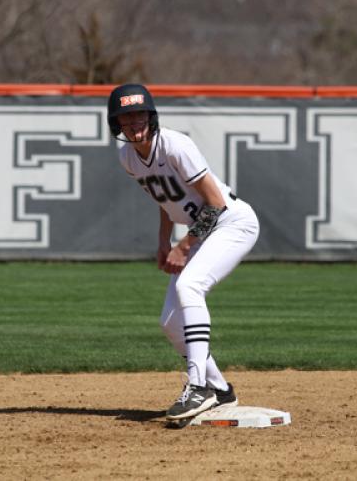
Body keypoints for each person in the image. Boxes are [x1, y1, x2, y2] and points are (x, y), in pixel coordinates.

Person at [107, 84, 260, 421]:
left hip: (233, 223)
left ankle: (197, 386)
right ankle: (219, 389)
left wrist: (184, 245)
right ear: (116, 123)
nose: (134, 122)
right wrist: (164, 241)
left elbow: (216, 203)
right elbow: (166, 200)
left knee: (189, 287)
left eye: (139, 113)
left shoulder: (175, 144)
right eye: (126, 116)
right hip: (199, 232)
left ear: (151, 115)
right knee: (170, 322)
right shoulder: (128, 157)